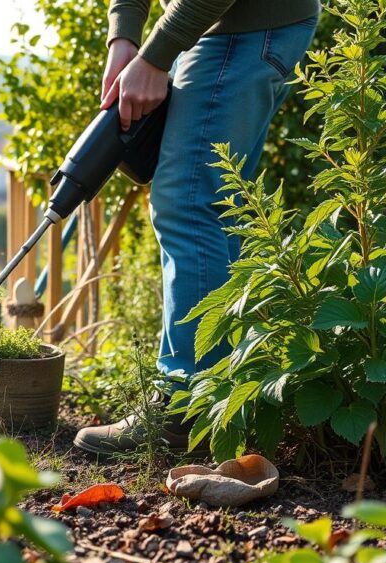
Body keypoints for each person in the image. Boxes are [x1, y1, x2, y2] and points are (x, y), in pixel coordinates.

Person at [74, 0, 320, 455]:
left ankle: (187, 410)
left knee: (190, 202)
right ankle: (221, 401)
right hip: (220, 27)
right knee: (215, 208)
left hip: (238, 26)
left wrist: (154, 56)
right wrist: (125, 37)